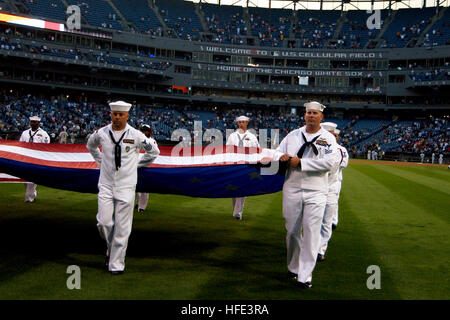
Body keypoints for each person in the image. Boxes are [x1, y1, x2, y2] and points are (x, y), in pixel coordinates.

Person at [86, 101, 160, 275]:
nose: (117, 117)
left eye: (121, 115)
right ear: (110, 115)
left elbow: (154, 152)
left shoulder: (136, 135)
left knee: (122, 228)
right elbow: (90, 145)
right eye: (114, 114)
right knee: (103, 223)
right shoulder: (102, 133)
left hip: (126, 186)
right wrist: (100, 161)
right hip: (105, 184)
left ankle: (116, 264)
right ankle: (111, 249)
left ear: (127, 116)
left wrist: (137, 164)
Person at [276, 101, 340, 288]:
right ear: (304, 115)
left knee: (311, 233)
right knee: (292, 231)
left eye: (314, 113)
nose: (311, 115)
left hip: (317, 190)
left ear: (321, 117)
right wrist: (281, 157)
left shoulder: (328, 138)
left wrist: (302, 163)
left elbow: (329, 163)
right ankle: (294, 267)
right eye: (308, 113)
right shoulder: (293, 135)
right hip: (292, 188)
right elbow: (278, 152)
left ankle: (305, 275)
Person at [318, 123, 349, 262]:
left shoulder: (341, 150)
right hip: (316, 186)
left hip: (331, 186)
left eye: (333, 135)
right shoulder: (315, 146)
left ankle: (320, 250)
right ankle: (311, 246)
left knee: (326, 221)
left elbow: (338, 166)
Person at [226, 115, 259, 220]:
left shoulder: (252, 136)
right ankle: (236, 210)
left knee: (242, 188)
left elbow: (257, 150)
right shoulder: (232, 136)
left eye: (243, 122)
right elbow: (228, 150)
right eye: (239, 122)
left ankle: (238, 213)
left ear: (246, 123)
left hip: (246, 166)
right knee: (234, 190)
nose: (241, 124)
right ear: (237, 123)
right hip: (234, 165)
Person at [19, 116, 50, 202]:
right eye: (32, 122)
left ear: (38, 123)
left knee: (31, 179)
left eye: (35, 122)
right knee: (24, 179)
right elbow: (20, 144)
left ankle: (29, 198)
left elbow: (46, 147)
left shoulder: (44, 134)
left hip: (36, 159)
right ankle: (33, 193)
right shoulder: (25, 133)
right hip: (25, 158)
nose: (33, 123)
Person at [135, 124, 158, 213]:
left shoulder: (152, 141)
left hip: (145, 167)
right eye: (142, 130)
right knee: (134, 186)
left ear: (149, 131)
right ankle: (137, 203)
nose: (143, 132)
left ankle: (141, 207)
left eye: (145, 130)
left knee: (144, 188)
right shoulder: (138, 140)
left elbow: (154, 154)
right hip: (137, 166)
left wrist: (137, 163)